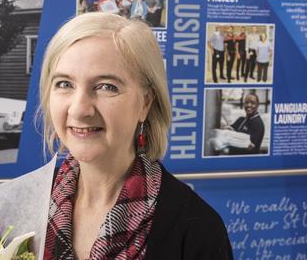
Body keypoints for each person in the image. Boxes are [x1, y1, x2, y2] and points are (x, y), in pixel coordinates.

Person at [40, 13, 232, 260]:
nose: (79, 109)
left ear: (145, 103)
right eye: (64, 84)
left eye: (106, 86)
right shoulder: (29, 203)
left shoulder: (196, 229)